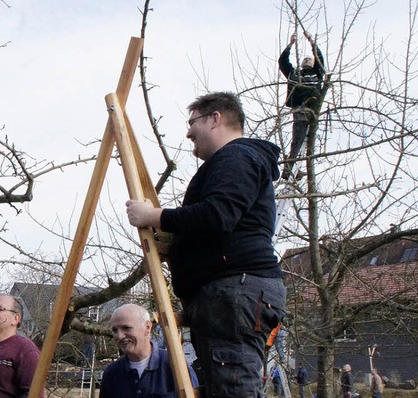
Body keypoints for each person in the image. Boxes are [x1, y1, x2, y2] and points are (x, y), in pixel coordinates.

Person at [125, 91, 286, 397]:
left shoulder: (237, 156)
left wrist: (154, 216)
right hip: (229, 293)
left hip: (235, 290)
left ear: (216, 119)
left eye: (192, 122)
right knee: (223, 386)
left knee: (233, 389)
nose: (188, 132)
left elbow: (218, 215)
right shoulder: (232, 161)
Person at [99, 303, 199, 397]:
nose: (120, 336)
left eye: (126, 328)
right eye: (115, 330)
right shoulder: (112, 374)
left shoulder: (175, 366)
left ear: (147, 327)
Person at [278, 31, 325, 180]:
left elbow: (320, 59)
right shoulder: (294, 74)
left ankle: (297, 167)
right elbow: (283, 61)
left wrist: (312, 41)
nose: (306, 62)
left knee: (308, 142)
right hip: (300, 110)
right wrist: (290, 44)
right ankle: (290, 169)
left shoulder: (317, 73)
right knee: (298, 139)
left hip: (312, 112)